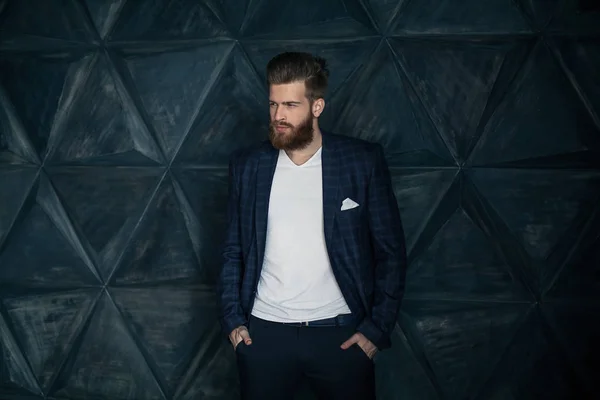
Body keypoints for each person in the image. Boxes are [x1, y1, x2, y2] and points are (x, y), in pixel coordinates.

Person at [217, 51, 407, 400]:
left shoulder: (360, 161)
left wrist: (376, 330)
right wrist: (233, 322)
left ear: (317, 106)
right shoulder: (248, 164)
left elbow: (390, 252)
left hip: (340, 336)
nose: (278, 116)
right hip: (263, 337)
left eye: (290, 105)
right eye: (273, 105)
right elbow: (233, 250)